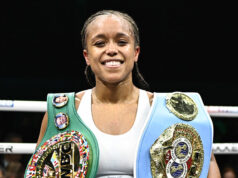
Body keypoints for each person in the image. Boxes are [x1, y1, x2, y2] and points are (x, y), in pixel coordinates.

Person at [25, 10, 221, 177]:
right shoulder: (64, 113)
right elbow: (41, 170)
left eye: (121, 42)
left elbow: (206, 165)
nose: (111, 50)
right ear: (87, 56)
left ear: (135, 53)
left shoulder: (167, 112)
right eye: (100, 43)